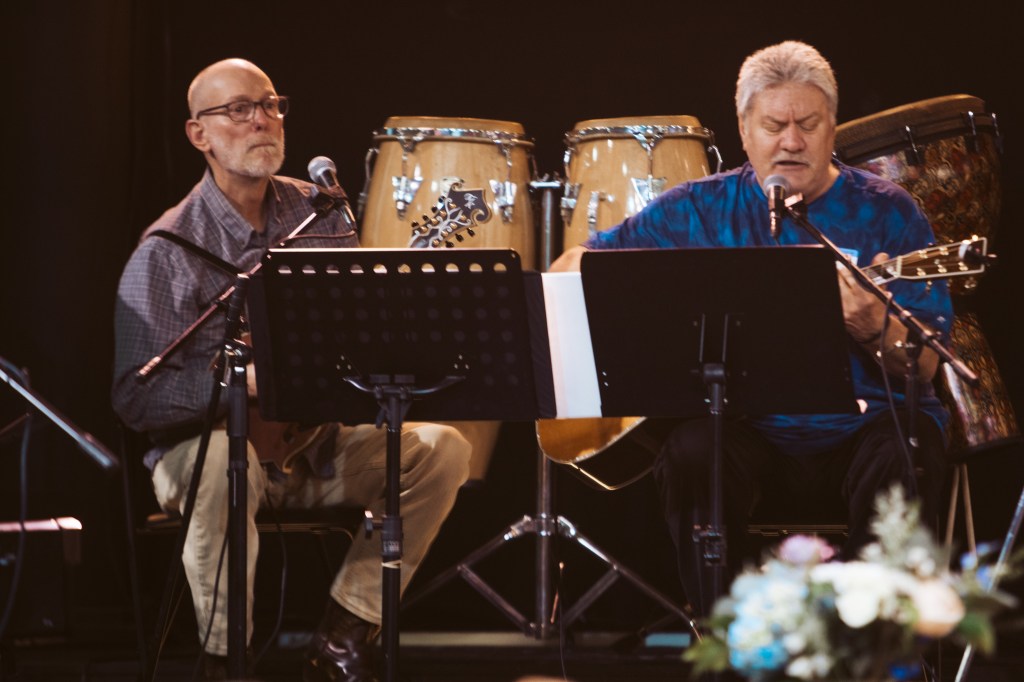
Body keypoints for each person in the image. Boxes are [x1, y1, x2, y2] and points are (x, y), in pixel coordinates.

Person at [550, 41, 952, 617]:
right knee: (690, 450)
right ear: (743, 130)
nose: (792, 141)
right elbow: (572, 268)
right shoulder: (697, 209)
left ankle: (872, 641)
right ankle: (731, 634)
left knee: (909, 447)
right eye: (774, 126)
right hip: (748, 432)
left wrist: (871, 325)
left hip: (865, 432)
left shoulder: (889, 212)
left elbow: (926, 367)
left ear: (832, 126)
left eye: (808, 124)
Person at [112, 58, 471, 681]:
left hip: (312, 446)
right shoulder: (167, 249)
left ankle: (344, 636)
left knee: (441, 450)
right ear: (199, 134)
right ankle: (227, 662)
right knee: (225, 466)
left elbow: (356, 338)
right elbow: (135, 397)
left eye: (271, 105)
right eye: (239, 110)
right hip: (202, 456)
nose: (261, 120)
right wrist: (245, 383)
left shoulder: (322, 213)